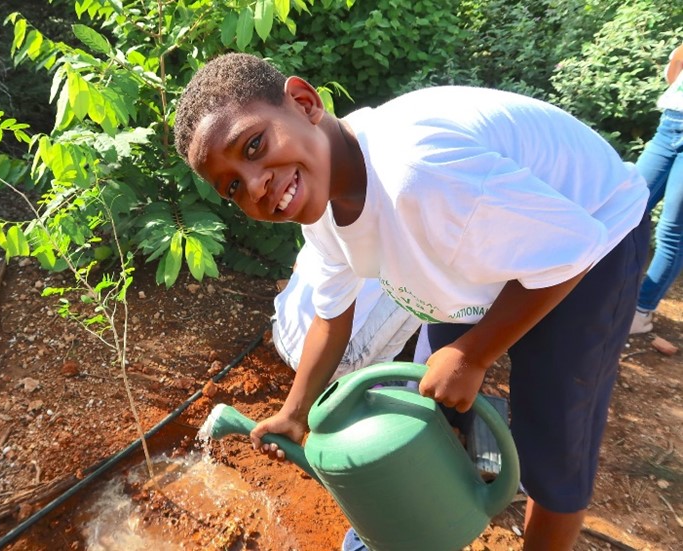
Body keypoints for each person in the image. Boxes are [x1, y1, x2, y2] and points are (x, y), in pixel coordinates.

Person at [173, 53, 649, 550]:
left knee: (552, 446)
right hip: (492, 240)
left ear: (304, 102)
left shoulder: (417, 173)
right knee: (425, 405)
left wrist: (473, 354)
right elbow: (331, 318)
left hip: (592, 242)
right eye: (232, 187)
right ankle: (414, 521)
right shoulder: (321, 201)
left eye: (254, 145)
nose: (255, 186)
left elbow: (573, 247)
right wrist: (295, 412)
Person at [272, 242, 420, 380]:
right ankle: (374, 376)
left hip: (281, 329)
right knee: (425, 288)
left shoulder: (335, 216)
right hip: (330, 367)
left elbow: (297, 266)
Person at [630, 43, 683, 334]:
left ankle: (641, 309)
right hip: (669, 125)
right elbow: (674, 74)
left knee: (672, 229)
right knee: (625, 207)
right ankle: (606, 294)